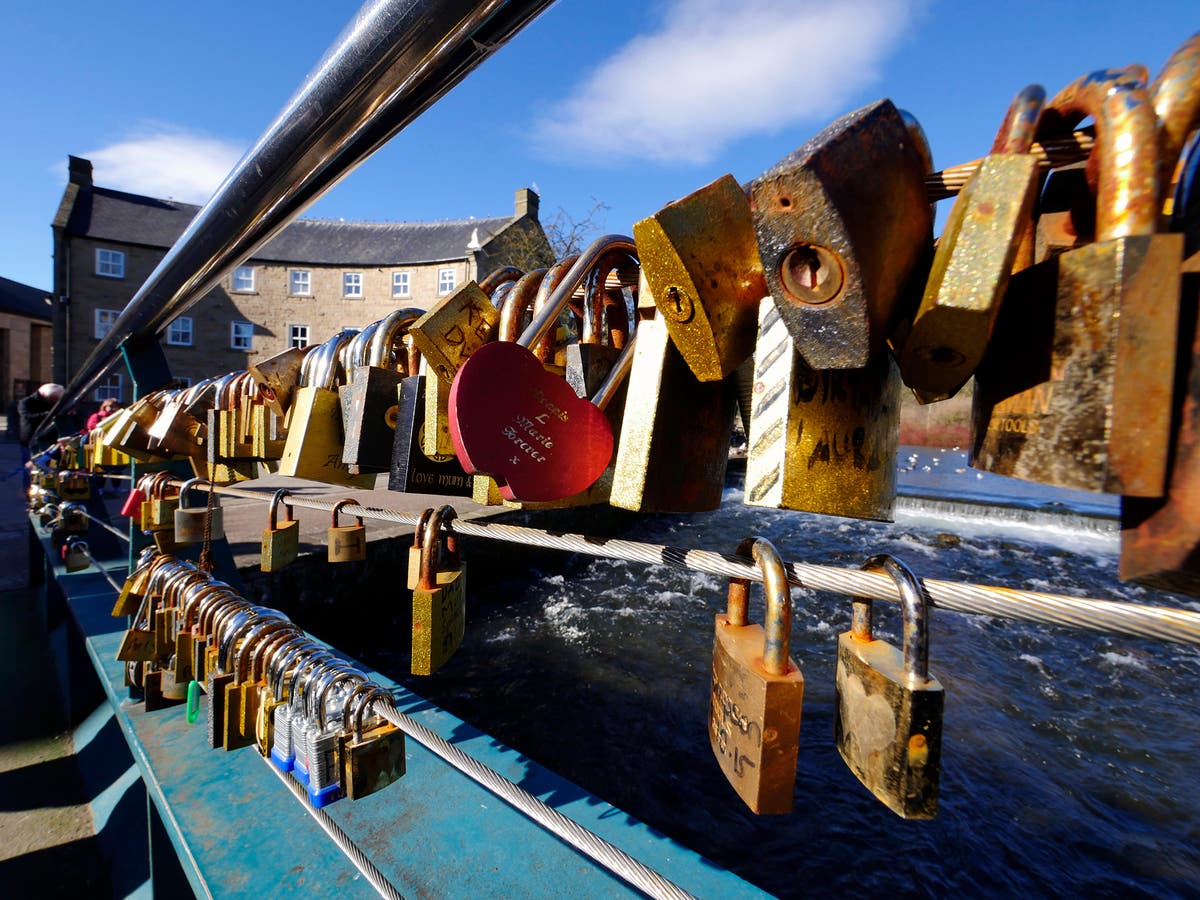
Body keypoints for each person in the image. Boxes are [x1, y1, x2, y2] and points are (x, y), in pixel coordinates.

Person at [17, 383, 64, 488]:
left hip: (49, 440)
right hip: (31, 440)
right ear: (45, 395)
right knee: (31, 467)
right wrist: (50, 414)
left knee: (50, 466)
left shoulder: (51, 402)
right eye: (53, 398)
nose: (54, 401)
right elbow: (28, 417)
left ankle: (49, 488)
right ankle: (30, 490)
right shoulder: (26, 402)